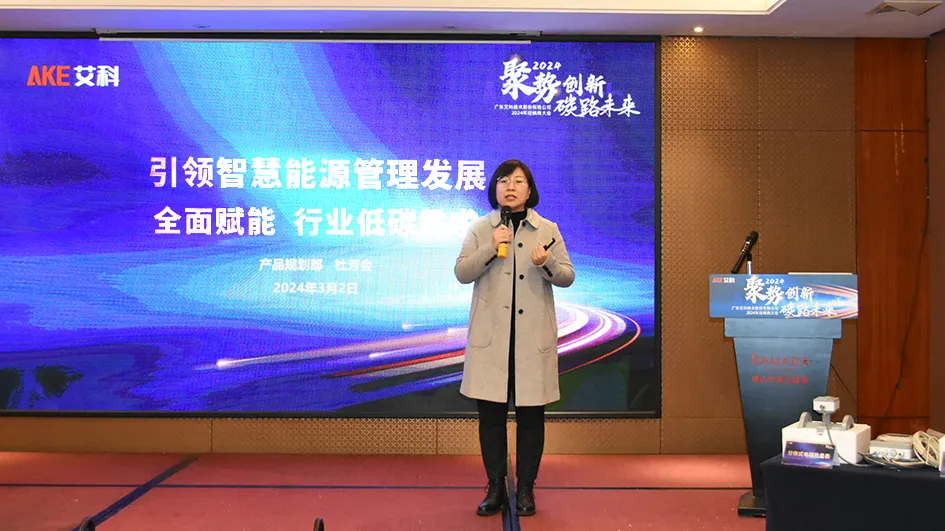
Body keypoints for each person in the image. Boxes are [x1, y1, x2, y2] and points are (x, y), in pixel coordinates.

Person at [454, 159, 575, 517]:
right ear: (494, 188)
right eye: (503, 180)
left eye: (518, 181)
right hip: (492, 341)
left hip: (530, 343)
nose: (510, 186)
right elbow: (462, 272)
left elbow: (567, 276)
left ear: (529, 190)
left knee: (531, 420)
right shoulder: (481, 228)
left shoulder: (547, 229)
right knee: (491, 419)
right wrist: (491, 247)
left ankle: (525, 489)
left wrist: (547, 262)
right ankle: (495, 487)